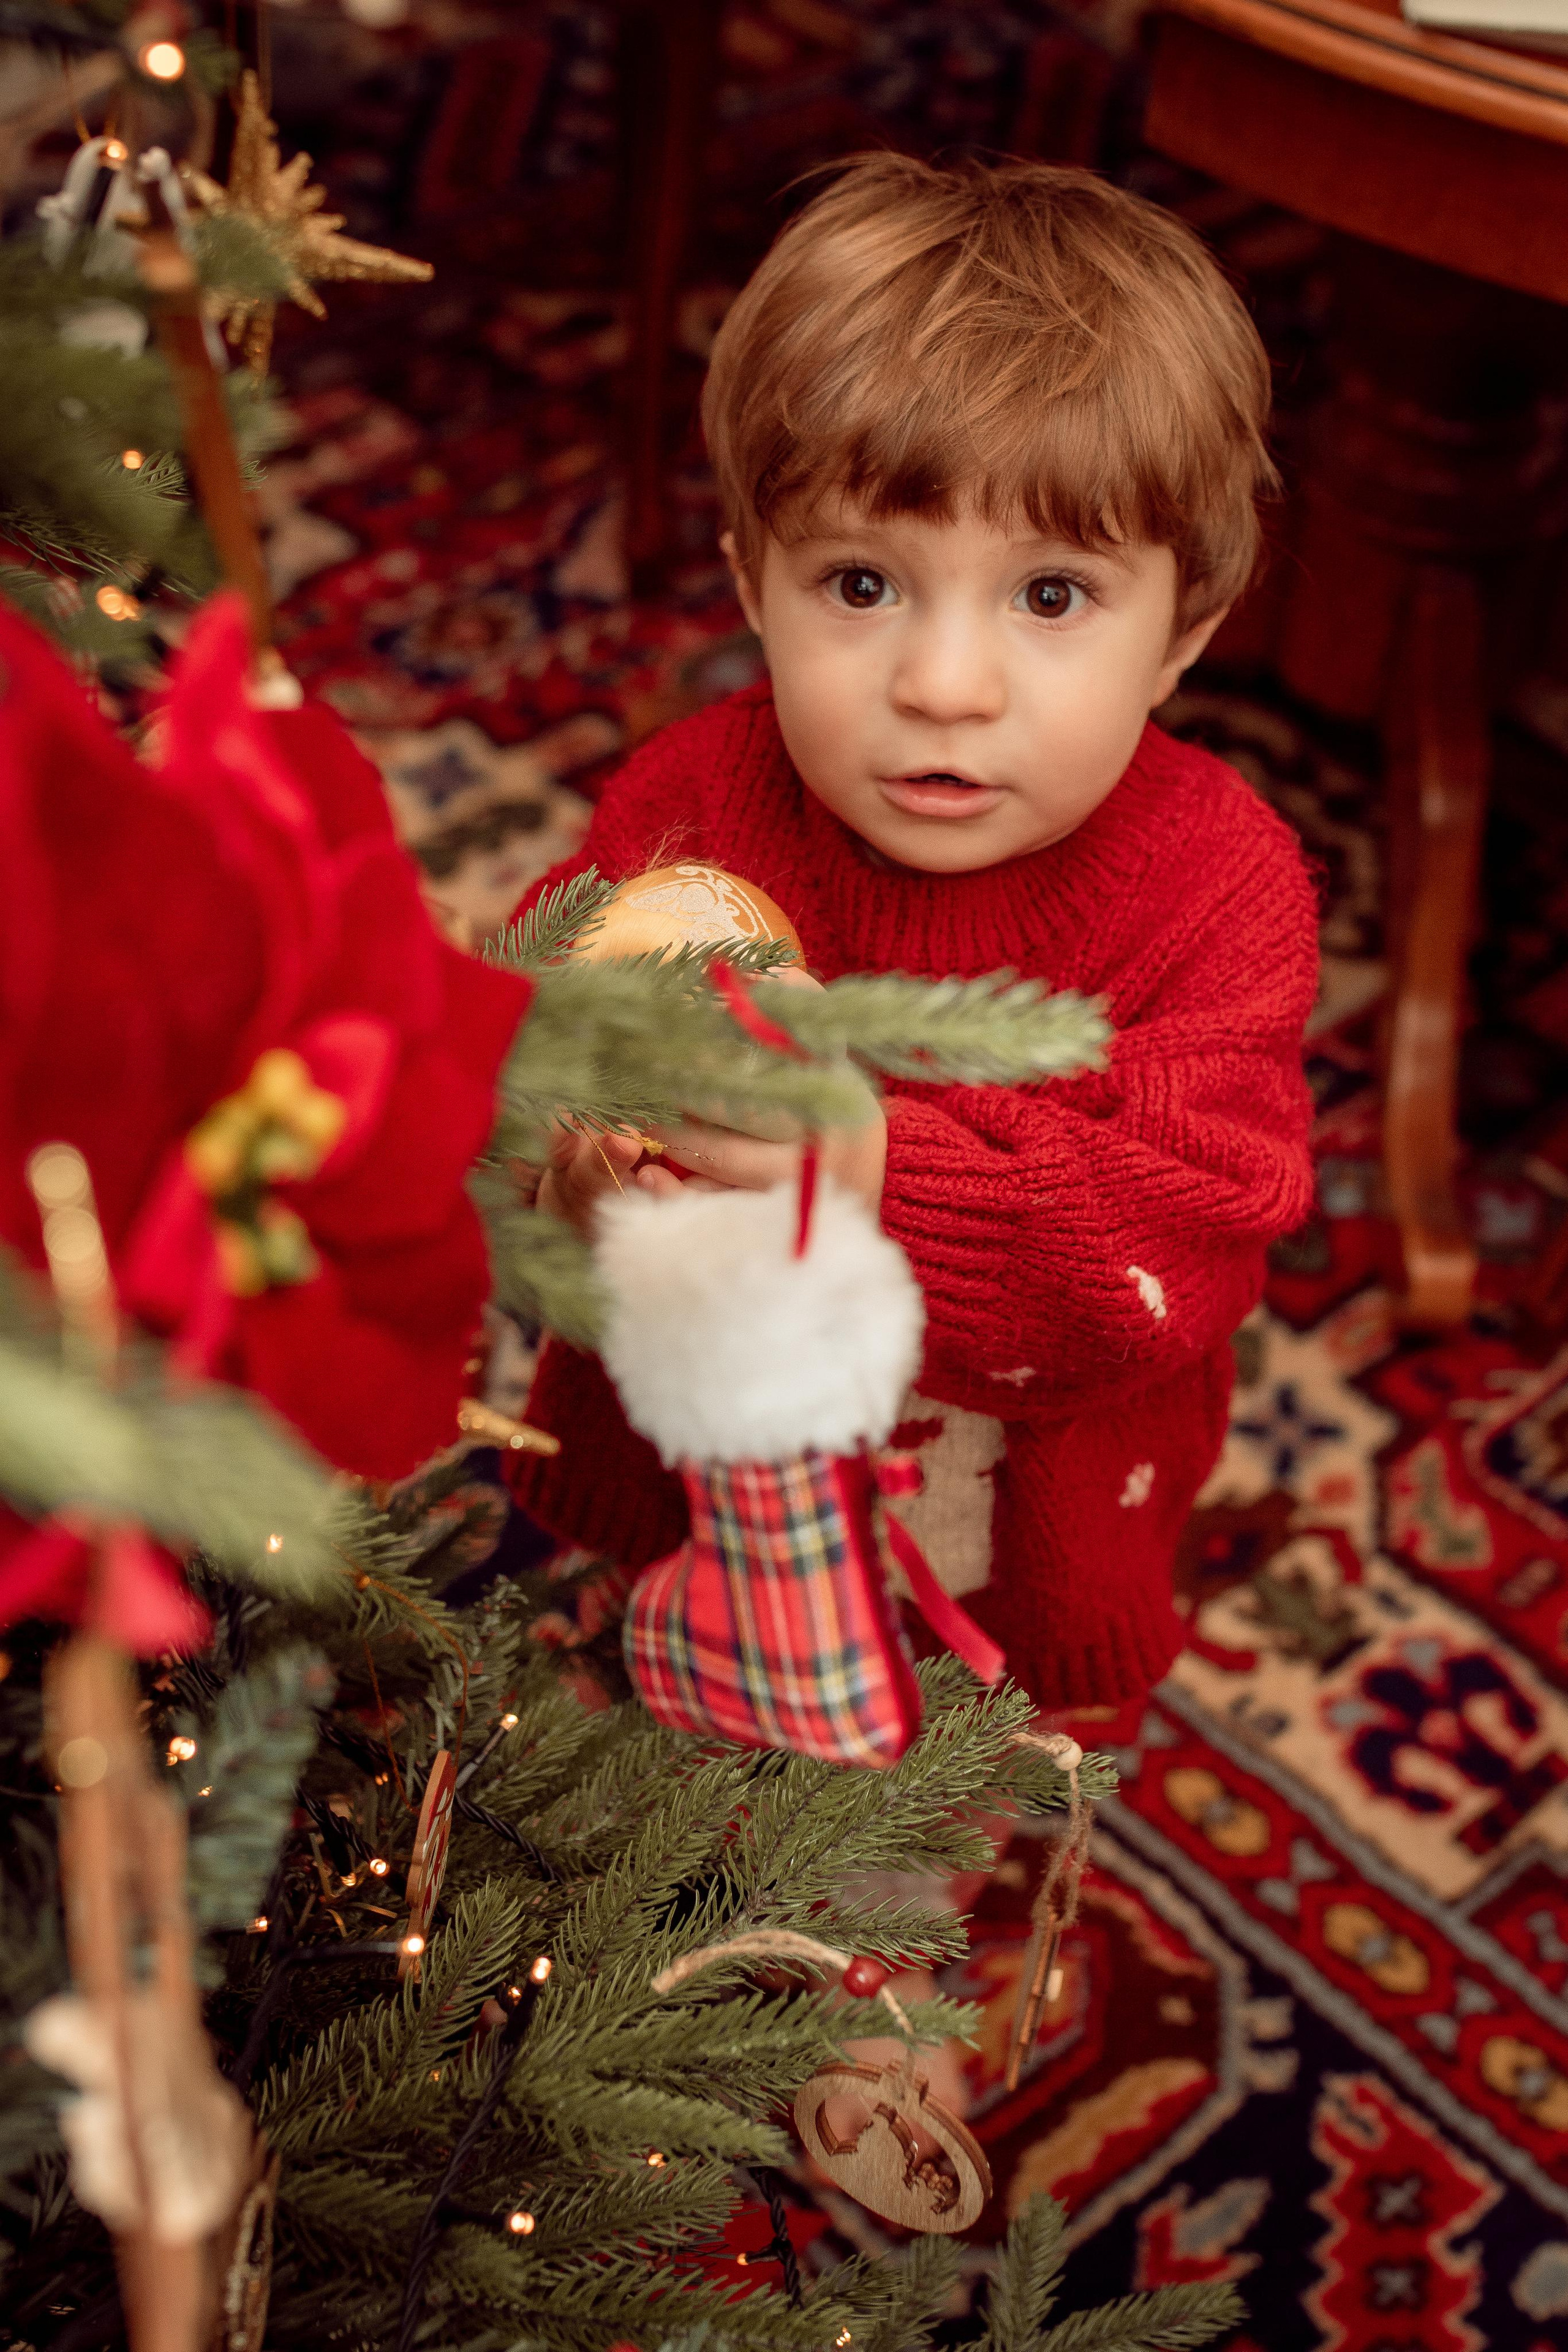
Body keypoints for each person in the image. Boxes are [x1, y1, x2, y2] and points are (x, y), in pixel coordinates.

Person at [505, 152, 1317, 1724]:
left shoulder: (1222, 888)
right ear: (753, 582)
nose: (945, 684)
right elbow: (549, 1069)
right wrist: (588, 1164)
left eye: (1053, 594)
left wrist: (875, 1175)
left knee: (903, 1897)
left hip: (996, 1586)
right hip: (687, 1518)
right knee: (617, 1830)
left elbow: (1178, 1248)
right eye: (862, 583)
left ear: (1188, 628)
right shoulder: (688, 806)